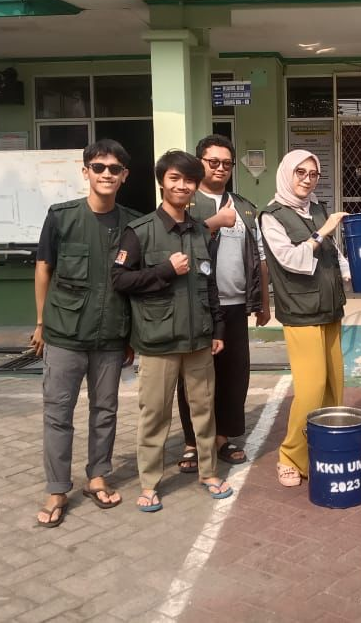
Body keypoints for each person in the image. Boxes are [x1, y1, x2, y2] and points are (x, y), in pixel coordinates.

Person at [111, 149, 232, 511]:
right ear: (162, 182)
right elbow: (119, 279)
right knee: (155, 414)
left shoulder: (201, 231)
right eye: (174, 178)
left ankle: (209, 473)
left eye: (189, 180)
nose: (182, 186)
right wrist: (164, 270)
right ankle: (149, 483)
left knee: (204, 410)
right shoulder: (140, 231)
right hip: (158, 341)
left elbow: (210, 283)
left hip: (198, 340)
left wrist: (218, 328)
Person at [31, 139, 139, 528]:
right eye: (99, 167)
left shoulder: (134, 224)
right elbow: (44, 268)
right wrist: (41, 323)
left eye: (114, 169)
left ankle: (98, 476)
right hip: (64, 333)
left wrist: (131, 336)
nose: (106, 174)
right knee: (58, 413)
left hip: (111, 335)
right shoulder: (62, 217)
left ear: (124, 176)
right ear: (85, 172)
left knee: (105, 410)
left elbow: (136, 284)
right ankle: (57, 487)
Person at [175, 134, 271, 473]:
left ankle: (222, 437)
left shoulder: (244, 207)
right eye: (212, 162)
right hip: (196, 306)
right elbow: (174, 243)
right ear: (199, 162)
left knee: (233, 376)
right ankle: (192, 441)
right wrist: (212, 225)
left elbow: (260, 258)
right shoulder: (185, 203)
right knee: (194, 378)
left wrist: (263, 302)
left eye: (226, 163)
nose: (220, 168)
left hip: (235, 306)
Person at [259, 150, 350, 487]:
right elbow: (291, 259)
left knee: (333, 387)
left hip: (330, 307)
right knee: (311, 389)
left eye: (313, 174)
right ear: (287, 173)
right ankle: (290, 456)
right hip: (301, 311)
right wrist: (322, 231)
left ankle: (322, 450)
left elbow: (332, 252)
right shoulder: (272, 215)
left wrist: (350, 271)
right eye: (300, 172)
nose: (307, 180)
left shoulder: (317, 208)